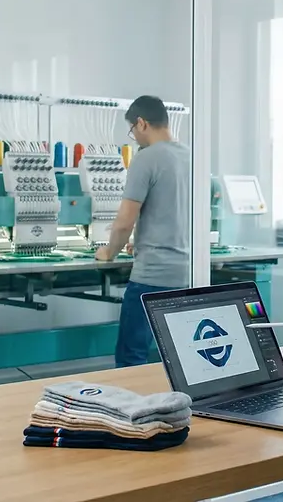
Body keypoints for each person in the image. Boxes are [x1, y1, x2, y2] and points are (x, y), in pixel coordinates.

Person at [95, 95, 191, 368]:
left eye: (133, 130)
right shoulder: (190, 156)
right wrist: (140, 240)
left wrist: (108, 252)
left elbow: (125, 220)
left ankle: (134, 410)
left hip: (153, 277)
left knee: (131, 356)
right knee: (176, 359)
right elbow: (174, 210)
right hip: (187, 275)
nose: (134, 137)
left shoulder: (146, 158)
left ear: (141, 123)